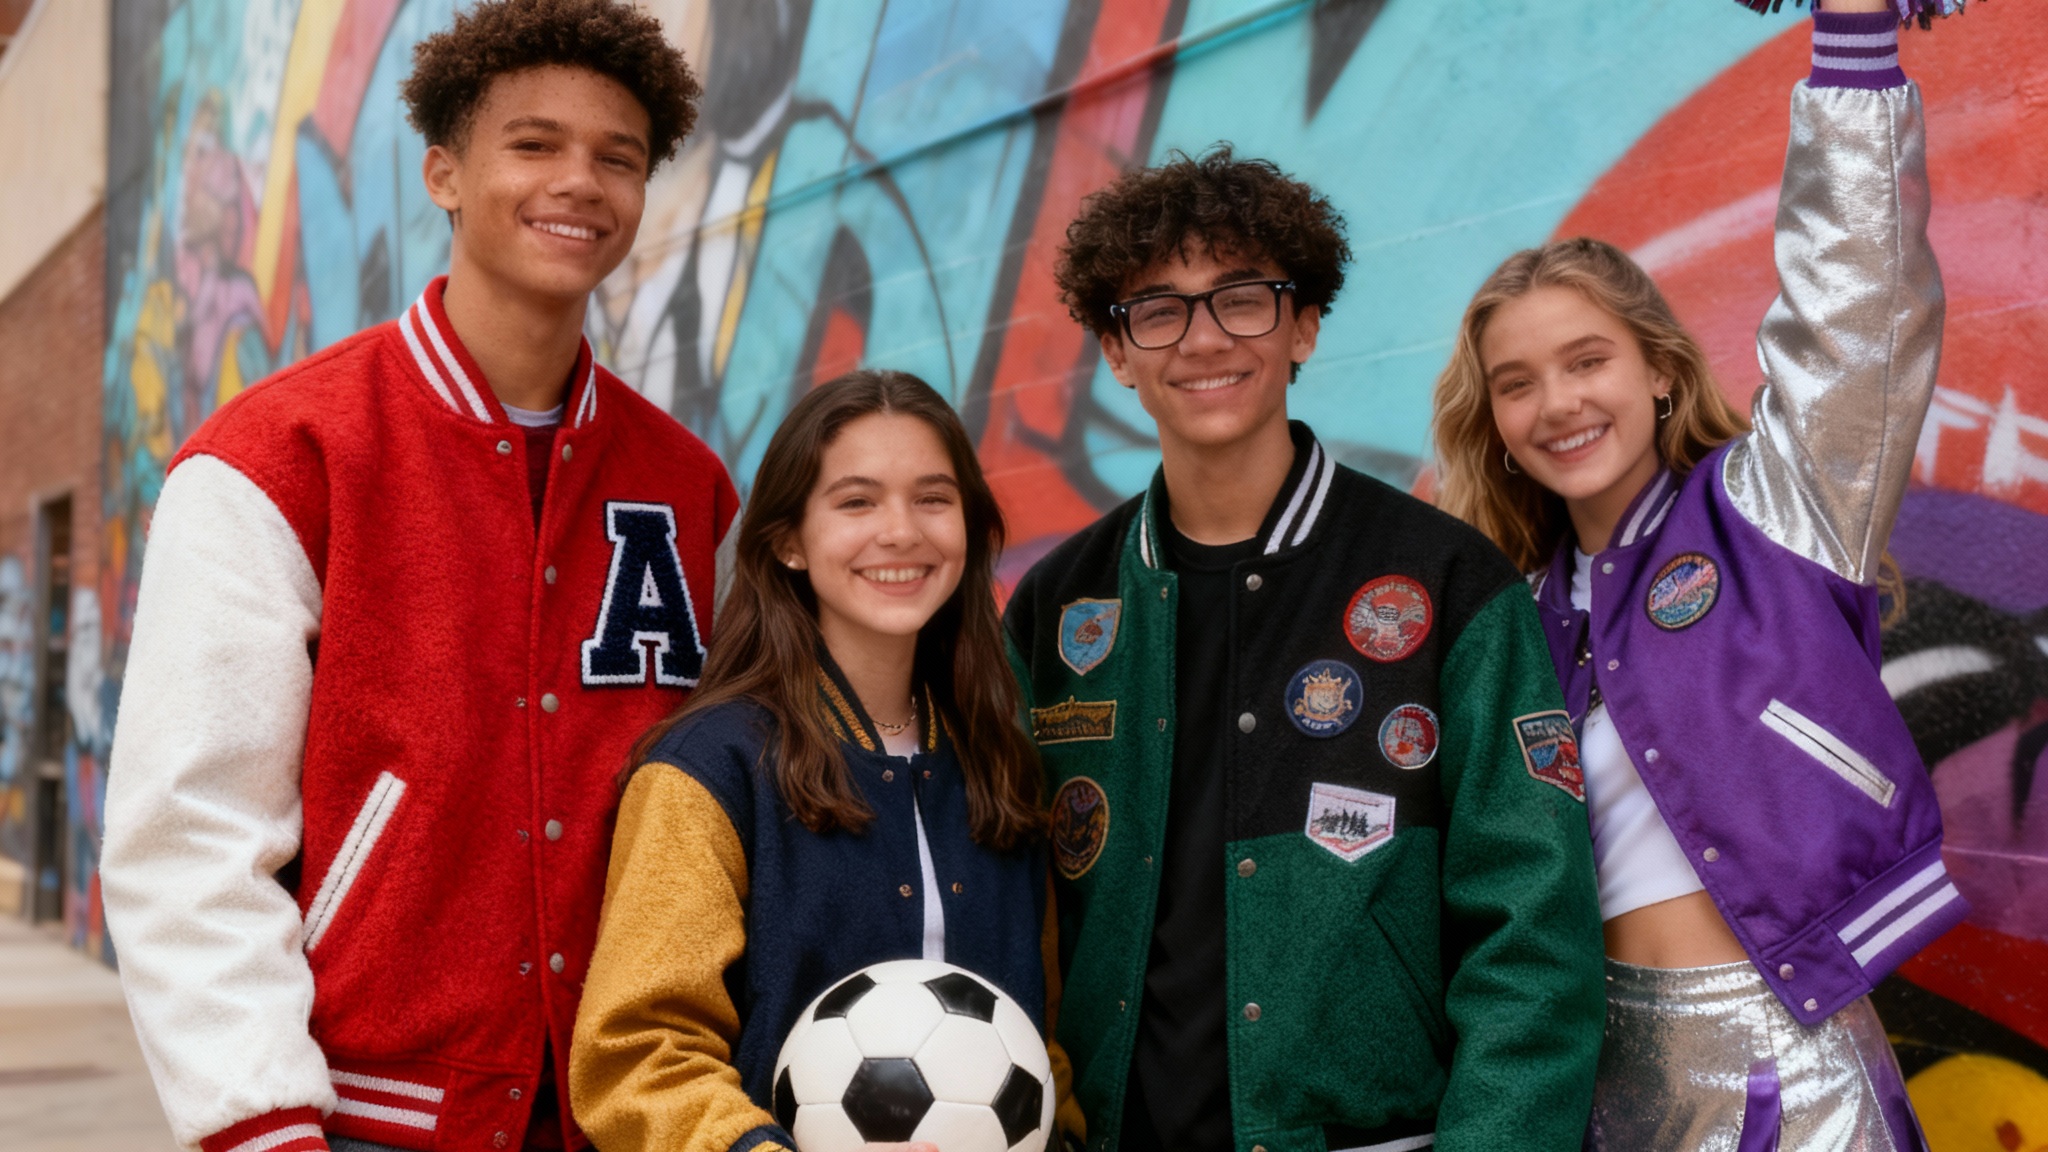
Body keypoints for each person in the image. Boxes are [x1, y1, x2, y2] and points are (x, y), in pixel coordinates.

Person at [98, 5, 735, 1152]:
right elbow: (187, 835)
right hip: (357, 1123)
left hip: (632, 1118)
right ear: (443, 171)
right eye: (533, 145)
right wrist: (263, 1123)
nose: (579, 182)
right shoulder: (278, 458)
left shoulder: (689, 488)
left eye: (618, 157)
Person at [1003, 147, 1607, 1152]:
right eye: (1155, 309)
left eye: (1241, 298)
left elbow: (1532, 936)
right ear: (1116, 352)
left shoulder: (1447, 583)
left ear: (1304, 325)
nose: (1201, 339)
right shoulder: (1056, 606)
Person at [1430, 4, 1958, 1148]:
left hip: (1782, 1051)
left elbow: (1857, 312)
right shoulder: (1517, 617)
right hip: (1595, 1077)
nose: (1557, 403)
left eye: (1586, 361)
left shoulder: (1772, 506)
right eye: (1516, 383)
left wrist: (1853, 50)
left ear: (1658, 371)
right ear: (1496, 424)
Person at [569, 370, 1073, 1152]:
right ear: (788, 542)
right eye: (857, 501)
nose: (901, 531)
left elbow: (1038, 1039)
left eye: (934, 498)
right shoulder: (707, 769)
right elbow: (635, 1055)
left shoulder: (999, 764)